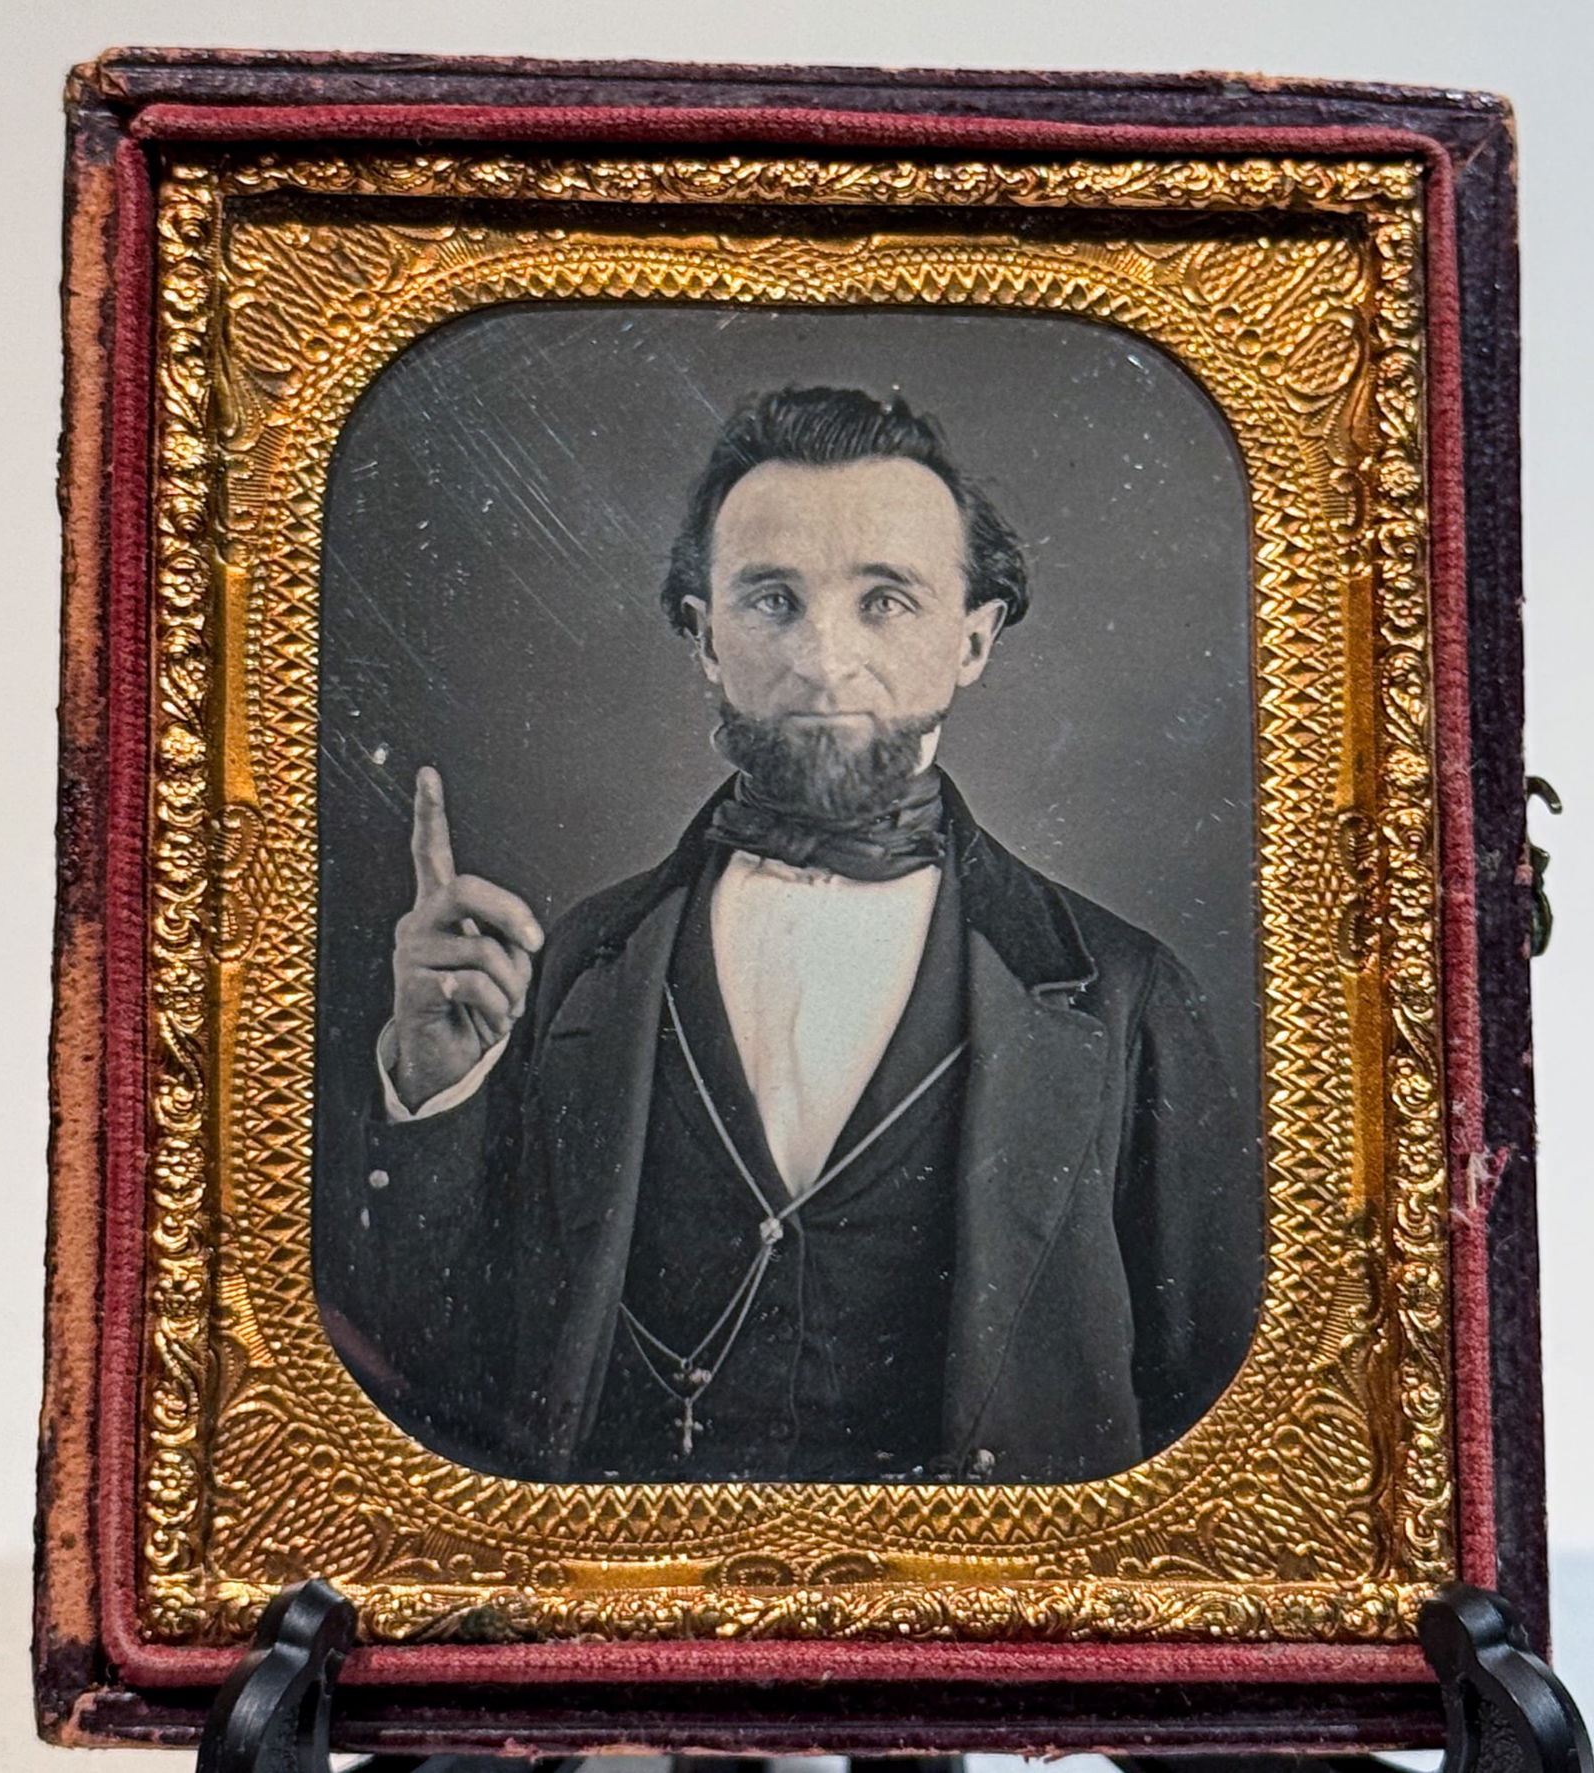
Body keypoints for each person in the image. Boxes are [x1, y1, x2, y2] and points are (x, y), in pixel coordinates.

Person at [317, 386, 1263, 1486]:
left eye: (884, 602)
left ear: (972, 637)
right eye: (771, 600)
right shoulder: (578, 962)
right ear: (701, 635)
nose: (822, 660)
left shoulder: (1121, 993)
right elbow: (442, 1378)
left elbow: (1212, 1426)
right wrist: (435, 1092)